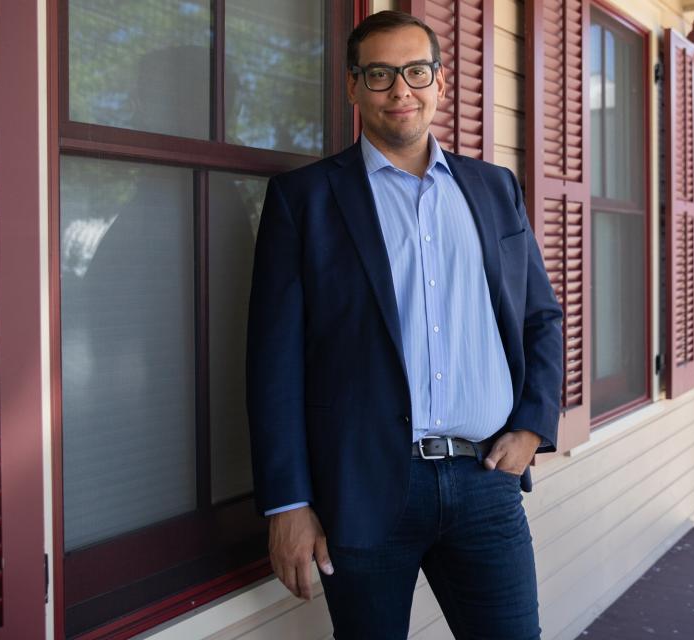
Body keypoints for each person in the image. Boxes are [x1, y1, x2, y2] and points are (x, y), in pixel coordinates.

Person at [246, 10, 563, 639]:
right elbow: (272, 363)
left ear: (440, 82)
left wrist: (532, 424)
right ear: (353, 87)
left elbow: (540, 317)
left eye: (417, 71)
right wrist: (287, 502)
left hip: (485, 483)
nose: (401, 90)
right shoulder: (303, 200)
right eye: (381, 73)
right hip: (363, 488)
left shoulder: (495, 188)